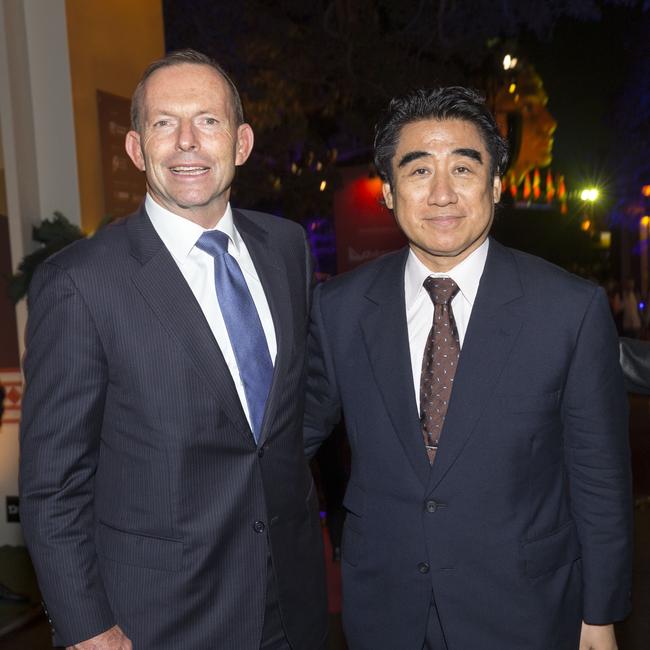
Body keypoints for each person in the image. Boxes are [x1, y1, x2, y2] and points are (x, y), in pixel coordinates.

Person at [304, 87, 632, 650]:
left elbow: (599, 478)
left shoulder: (568, 309)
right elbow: (287, 441)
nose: (441, 193)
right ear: (387, 192)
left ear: (496, 185)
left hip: (525, 611)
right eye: (417, 170)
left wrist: (599, 616)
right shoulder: (340, 309)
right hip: (385, 612)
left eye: (463, 167)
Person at [20, 49, 327, 650]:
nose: (187, 141)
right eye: (164, 123)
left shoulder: (286, 248)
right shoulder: (80, 282)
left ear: (241, 142)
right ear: (137, 149)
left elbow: (288, 416)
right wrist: (86, 627)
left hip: (291, 606)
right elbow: (53, 484)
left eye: (207, 121)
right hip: (157, 622)